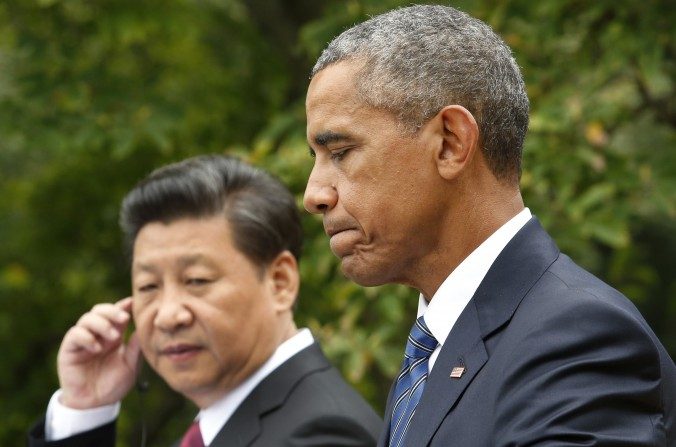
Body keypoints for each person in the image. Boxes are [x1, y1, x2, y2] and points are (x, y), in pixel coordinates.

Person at [303, 4, 676, 447]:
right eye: (316, 159)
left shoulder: (579, 340)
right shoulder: (436, 351)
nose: (314, 195)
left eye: (341, 152)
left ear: (450, 143)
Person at [28, 155, 382, 446]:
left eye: (196, 280)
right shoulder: (221, 425)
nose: (168, 315)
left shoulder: (322, 435)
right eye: (148, 286)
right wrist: (86, 407)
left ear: (280, 282)